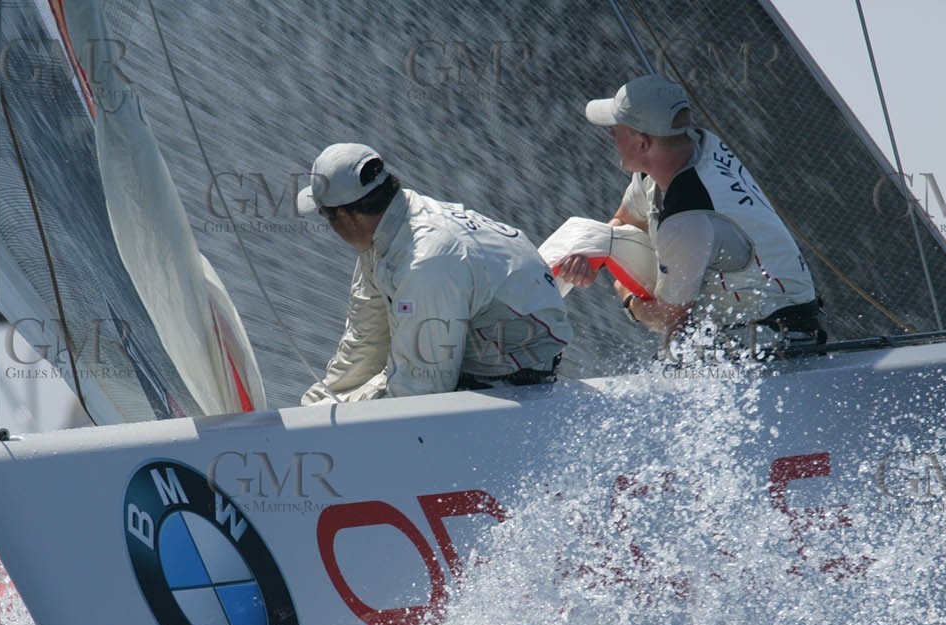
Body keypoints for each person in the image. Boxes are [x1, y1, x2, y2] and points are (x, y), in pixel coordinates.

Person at [555, 75, 822, 349]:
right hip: (764, 317)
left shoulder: (687, 220)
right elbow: (625, 220)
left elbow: (668, 319)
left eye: (617, 128)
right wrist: (593, 252)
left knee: (676, 351)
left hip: (773, 339)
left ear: (643, 143)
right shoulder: (689, 148)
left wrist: (626, 295)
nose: (611, 133)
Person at [297, 143, 572, 404]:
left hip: (512, 382)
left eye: (325, 216)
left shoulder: (426, 263)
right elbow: (365, 340)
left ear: (347, 217)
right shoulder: (384, 234)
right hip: (463, 356)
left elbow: (422, 391)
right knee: (324, 406)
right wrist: (319, 404)